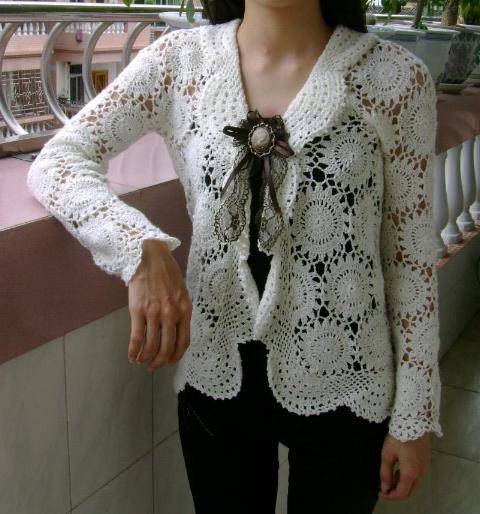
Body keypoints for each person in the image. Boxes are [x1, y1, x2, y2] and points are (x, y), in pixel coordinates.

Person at [26, 1, 444, 513]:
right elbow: (59, 160)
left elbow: (409, 262)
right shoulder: (180, 62)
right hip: (215, 378)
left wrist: (414, 415)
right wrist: (140, 249)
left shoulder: (394, 79)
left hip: (349, 380)